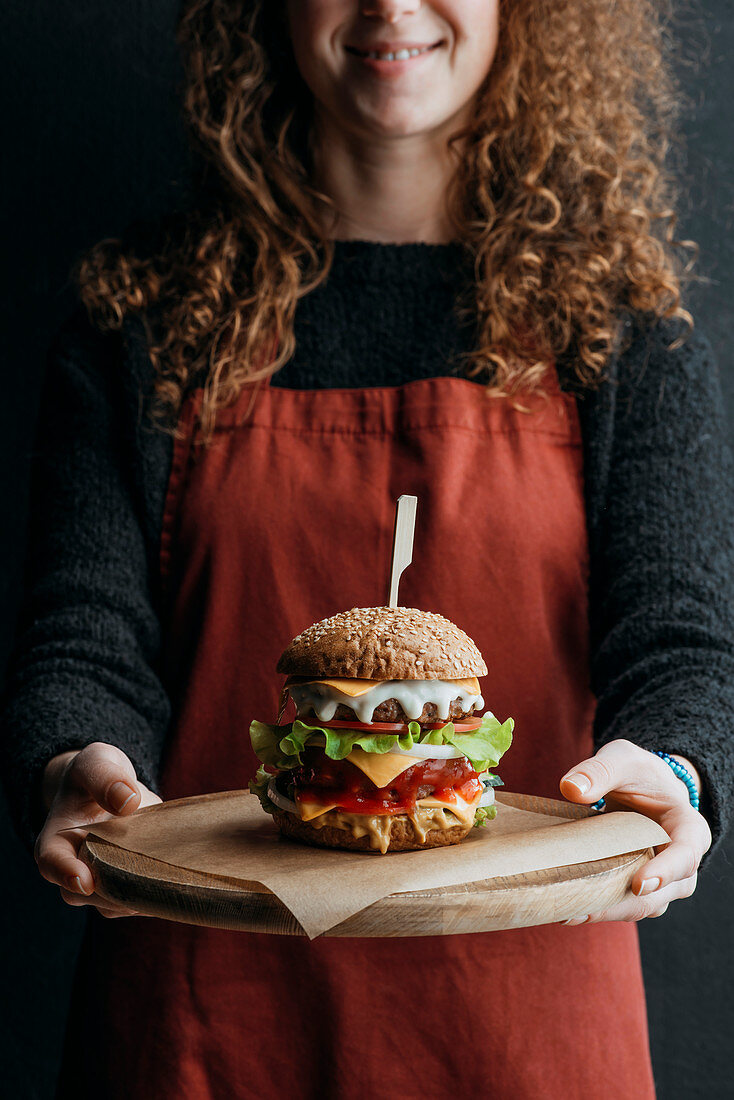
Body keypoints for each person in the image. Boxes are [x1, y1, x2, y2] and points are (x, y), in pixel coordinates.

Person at [2, 1, 732, 1096]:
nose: (391, 4)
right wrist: (74, 755)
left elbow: (679, 637)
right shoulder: (145, 320)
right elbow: (84, 629)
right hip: (201, 1010)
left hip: (529, 1017)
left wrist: (671, 761)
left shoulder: (619, 328)